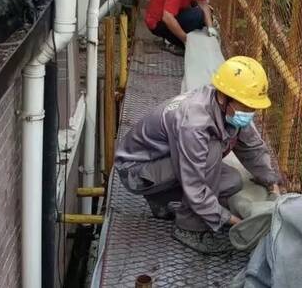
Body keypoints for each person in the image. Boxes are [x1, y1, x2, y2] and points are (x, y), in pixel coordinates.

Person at [114, 56, 280, 254]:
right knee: (211, 153)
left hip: (163, 163)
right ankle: (189, 229)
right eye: (246, 107)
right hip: (135, 170)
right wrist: (234, 221)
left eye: (253, 108)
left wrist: (272, 184)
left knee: (232, 181)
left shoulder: (227, 108)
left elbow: (252, 149)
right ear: (225, 97)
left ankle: (161, 201)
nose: (250, 112)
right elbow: (195, 184)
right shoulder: (194, 122)